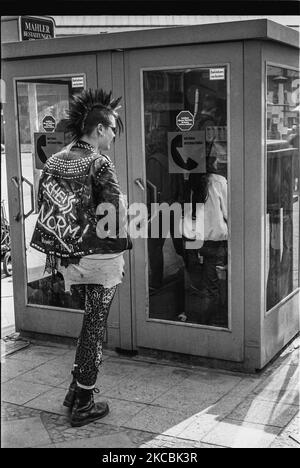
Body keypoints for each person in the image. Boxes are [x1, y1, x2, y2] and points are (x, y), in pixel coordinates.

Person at [30, 88, 132, 427]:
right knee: (94, 326)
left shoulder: (55, 160)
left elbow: (46, 212)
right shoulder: (100, 163)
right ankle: (85, 399)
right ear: (100, 129)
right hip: (99, 261)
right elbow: (114, 216)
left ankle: (75, 390)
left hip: (69, 259)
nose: (114, 136)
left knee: (90, 322)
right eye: (113, 129)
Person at [181, 151, 228, 325]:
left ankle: (193, 318)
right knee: (212, 286)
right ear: (210, 163)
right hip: (213, 241)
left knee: (195, 285)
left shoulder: (189, 182)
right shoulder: (218, 182)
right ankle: (208, 322)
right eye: (215, 159)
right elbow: (229, 212)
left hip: (192, 240)